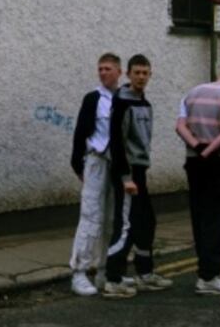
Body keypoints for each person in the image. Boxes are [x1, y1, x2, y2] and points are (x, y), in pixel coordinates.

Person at [104, 54, 173, 297]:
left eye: (145, 73)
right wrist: (125, 177)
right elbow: (117, 143)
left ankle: (144, 274)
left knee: (146, 222)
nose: (141, 77)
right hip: (128, 172)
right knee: (125, 226)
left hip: (140, 170)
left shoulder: (144, 103)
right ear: (128, 74)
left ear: (150, 75)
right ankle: (113, 279)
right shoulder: (122, 103)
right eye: (137, 73)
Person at [175, 65, 220, 295]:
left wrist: (197, 147)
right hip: (219, 160)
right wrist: (209, 152)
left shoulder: (191, 93)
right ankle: (210, 276)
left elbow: (180, 126)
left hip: (193, 159)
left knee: (199, 214)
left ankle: (206, 267)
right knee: (218, 216)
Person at [69, 52, 123, 297]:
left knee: (112, 219)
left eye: (108, 69)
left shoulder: (124, 98)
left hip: (117, 165)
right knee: (91, 216)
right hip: (96, 161)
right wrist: (78, 166)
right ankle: (79, 272)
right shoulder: (92, 98)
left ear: (119, 72)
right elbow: (80, 133)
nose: (103, 73)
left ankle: (104, 271)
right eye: (100, 68)